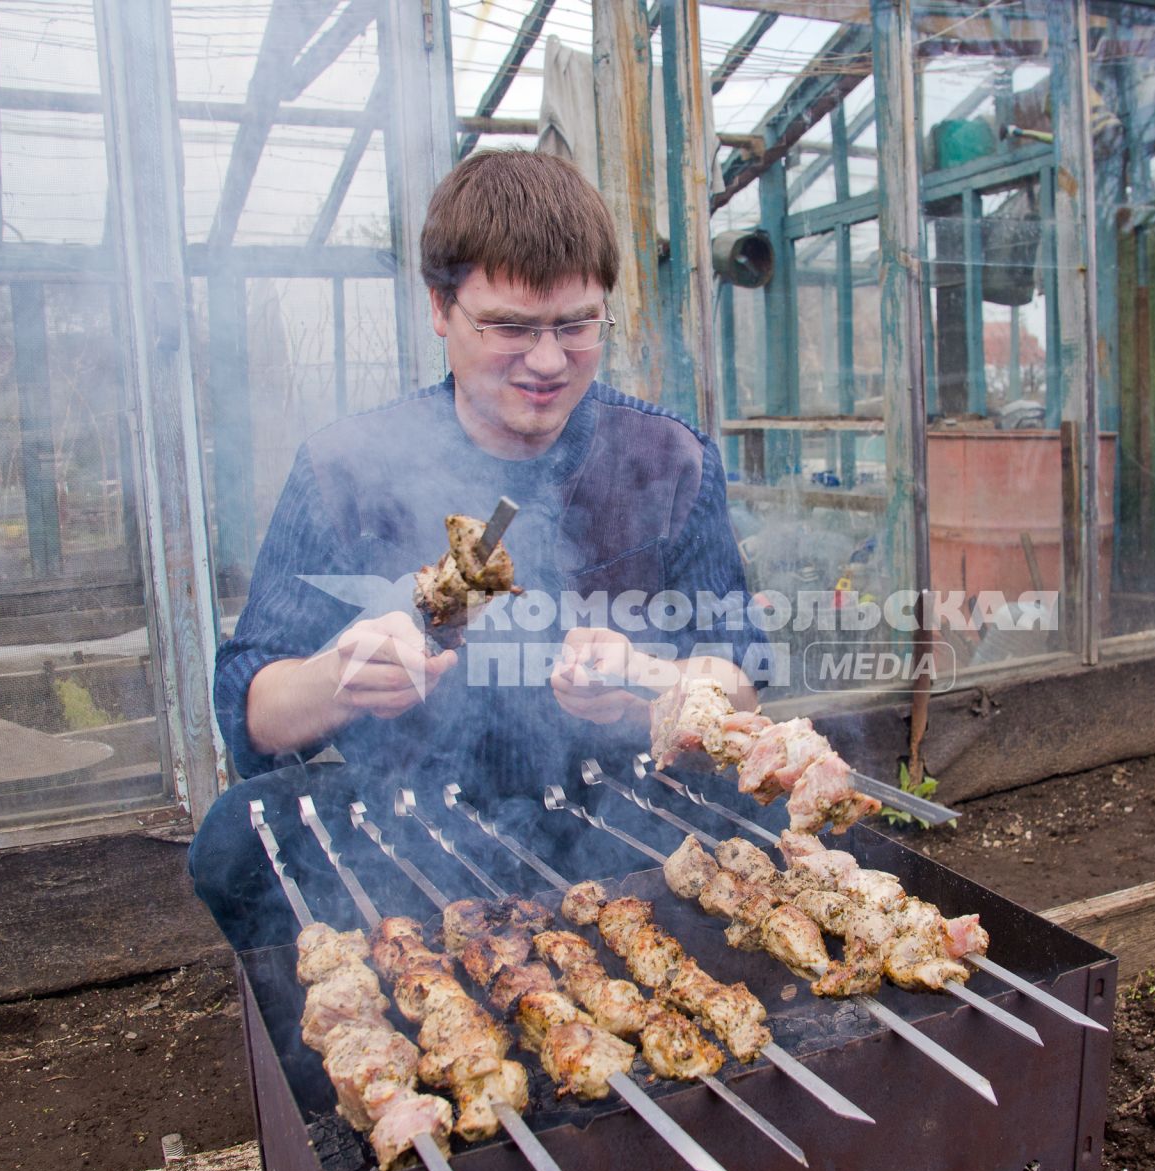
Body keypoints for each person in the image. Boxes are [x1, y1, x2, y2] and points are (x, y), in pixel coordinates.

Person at [187, 149, 766, 951]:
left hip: (618, 806)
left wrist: (658, 691)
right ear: (439, 307)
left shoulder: (670, 460)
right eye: (510, 327)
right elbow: (253, 713)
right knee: (233, 840)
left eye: (577, 324)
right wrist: (343, 678)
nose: (549, 361)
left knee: (775, 815)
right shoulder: (345, 467)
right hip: (405, 817)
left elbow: (740, 690)